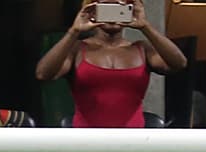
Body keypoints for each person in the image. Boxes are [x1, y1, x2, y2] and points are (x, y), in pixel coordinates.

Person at [36, 0, 186, 128]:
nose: (112, 17)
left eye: (119, 8)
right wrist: (74, 31)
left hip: (134, 143)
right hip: (85, 143)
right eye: (107, 8)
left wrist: (145, 26)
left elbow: (179, 63)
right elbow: (43, 74)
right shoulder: (77, 49)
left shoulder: (142, 49)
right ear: (94, 11)